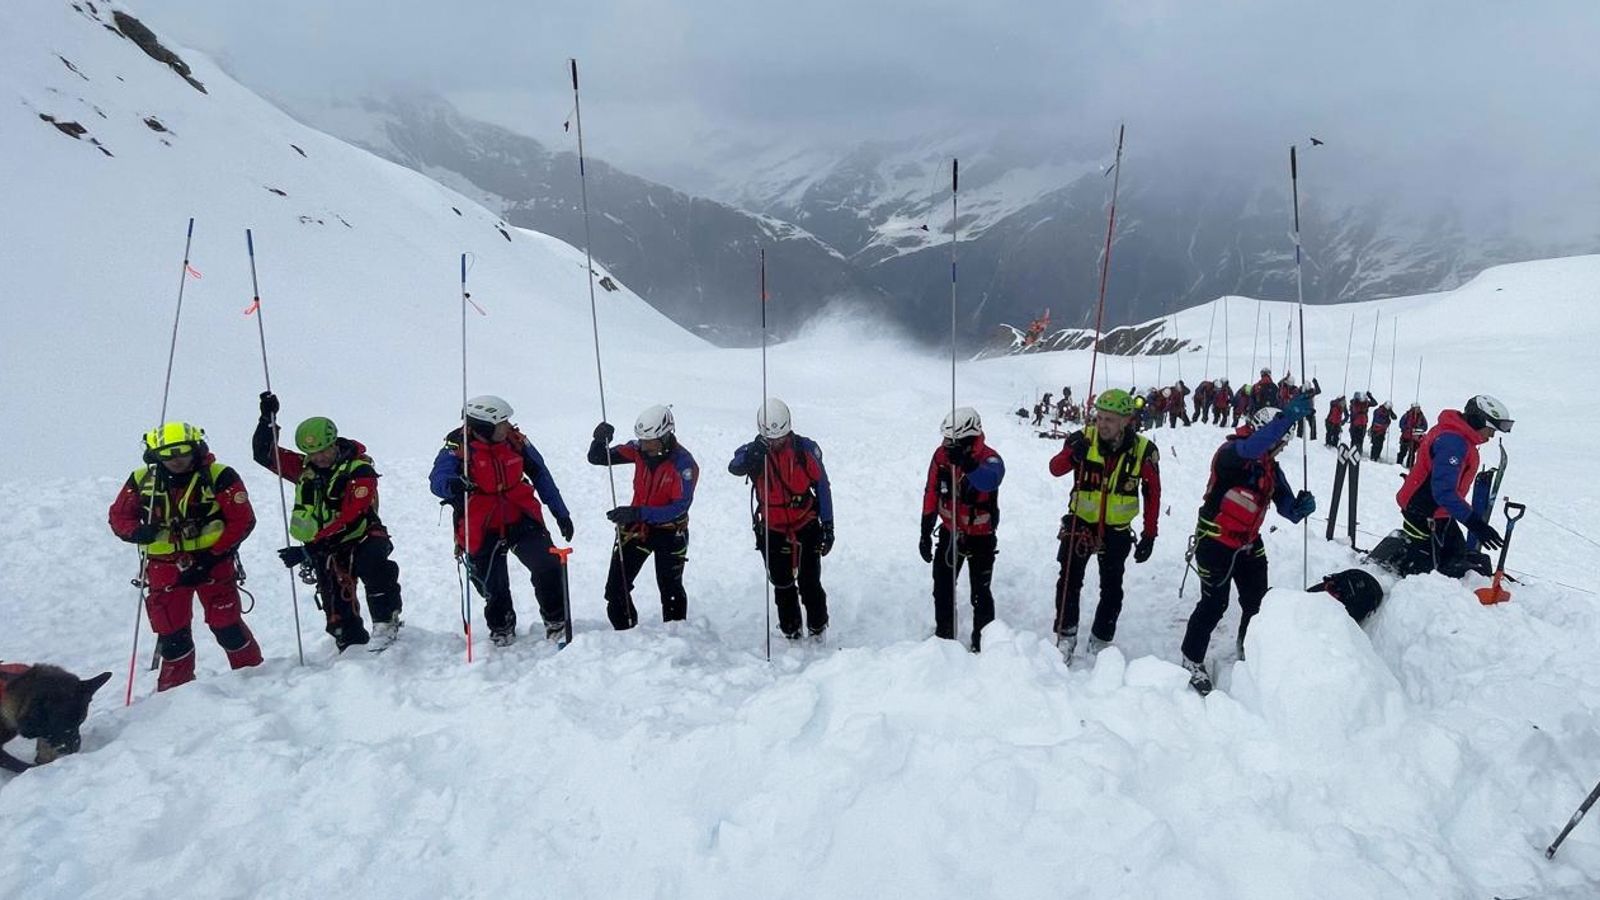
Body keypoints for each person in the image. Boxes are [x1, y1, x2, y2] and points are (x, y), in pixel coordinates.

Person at [108, 422, 262, 691]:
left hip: (214, 563)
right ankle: (175, 692)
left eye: (182, 452)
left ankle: (256, 679)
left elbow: (243, 520)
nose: (176, 460)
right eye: (167, 454)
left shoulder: (219, 475)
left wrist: (212, 557)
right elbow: (119, 515)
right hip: (164, 566)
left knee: (227, 626)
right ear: (155, 455)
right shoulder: (143, 479)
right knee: (172, 634)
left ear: (196, 449)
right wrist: (137, 532)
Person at [1179, 398, 1317, 695]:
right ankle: (1191, 659)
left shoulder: (1270, 469)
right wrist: (1289, 417)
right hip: (1215, 540)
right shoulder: (1232, 453)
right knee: (1214, 604)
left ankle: (1248, 649)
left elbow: (1288, 510)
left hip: (1249, 544)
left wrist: (1301, 507)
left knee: (1256, 603)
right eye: (1279, 442)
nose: (1280, 450)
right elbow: (1252, 448)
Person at [255, 393, 402, 651]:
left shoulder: (359, 470)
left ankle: (386, 623)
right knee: (336, 609)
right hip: (324, 547)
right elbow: (264, 455)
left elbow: (351, 517)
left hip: (362, 535)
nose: (319, 457)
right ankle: (350, 644)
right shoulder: (305, 469)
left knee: (375, 568)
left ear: (334, 443)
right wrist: (267, 420)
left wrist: (307, 550)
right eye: (312, 452)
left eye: (324, 450)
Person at [430, 395, 574, 646]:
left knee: (547, 564)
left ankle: (556, 620)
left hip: (520, 514)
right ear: (484, 427)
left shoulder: (515, 441)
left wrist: (561, 512)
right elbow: (437, 480)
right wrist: (452, 484)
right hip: (480, 522)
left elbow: (541, 475)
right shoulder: (457, 447)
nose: (507, 427)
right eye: (501, 423)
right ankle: (501, 627)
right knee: (492, 585)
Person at [1048, 389, 1160, 663]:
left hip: (1117, 530)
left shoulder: (1144, 451)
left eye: (1110, 419)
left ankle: (1101, 637)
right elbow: (1055, 468)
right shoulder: (1082, 439)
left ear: (1126, 421)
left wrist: (1149, 533)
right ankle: (1066, 634)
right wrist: (1073, 455)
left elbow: (1153, 492)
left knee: (1111, 587)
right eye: (1100, 418)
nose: (1102, 424)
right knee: (1069, 580)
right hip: (1080, 523)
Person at [1369, 396, 1512, 579]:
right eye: (1491, 429)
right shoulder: (1453, 443)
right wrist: (1476, 524)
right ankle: (1397, 576)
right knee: (1432, 572)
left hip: (1438, 511)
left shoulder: (1459, 436)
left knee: (1456, 556)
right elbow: (1443, 491)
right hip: (1424, 510)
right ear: (1478, 421)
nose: (1491, 436)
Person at [728, 399, 834, 641]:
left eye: (780, 437)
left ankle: (818, 627)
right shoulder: (754, 451)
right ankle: (791, 629)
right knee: (782, 582)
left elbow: (823, 487)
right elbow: (734, 466)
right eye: (771, 438)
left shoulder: (805, 450)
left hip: (805, 523)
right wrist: (753, 456)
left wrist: (828, 526)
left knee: (809, 581)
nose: (776, 442)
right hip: (772, 527)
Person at [589, 405, 699, 630]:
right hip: (638, 528)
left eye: (650, 441)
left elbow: (679, 507)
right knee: (616, 588)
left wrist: (639, 512)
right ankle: (625, 631)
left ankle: (676, 636)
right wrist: (599, 439)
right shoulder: (638, 450)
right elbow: (599, 458)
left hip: (670, 531)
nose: (644, 445)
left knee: (670, 587)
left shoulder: (684, 465)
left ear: (666, 436)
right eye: (642, 440)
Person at [919, 407, 1006, 652]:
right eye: (945, 439)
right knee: (942, 588)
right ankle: (944, 638)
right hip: (949, 534)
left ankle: (983, 642)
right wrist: (925, 531)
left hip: (981, 538)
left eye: (951, 440)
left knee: (981, 592)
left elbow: (990, 480)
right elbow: (931, 492)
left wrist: (967, 464)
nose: (945, 444)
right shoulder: (940, 457)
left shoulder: (990, 458)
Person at [1397, 403, 1429, 469]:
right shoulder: (1407, 415)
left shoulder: (1421, 417)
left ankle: (1409, 466)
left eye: (1419, 408)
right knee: (1403, 451)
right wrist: (1407, 428)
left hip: (1415, 438)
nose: (1418, 409)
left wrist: (1417, 429)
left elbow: (1425, 427)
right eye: (1416, 408)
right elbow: (1401, 424)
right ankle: (1398, 464)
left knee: (1412, 453)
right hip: (1406, 437)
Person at [1348, 392, 1374, 457]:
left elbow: (1375, 403)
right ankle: (1352, 452)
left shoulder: (1365, 404)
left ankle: (1358, 452)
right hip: (1355, 425)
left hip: (1363, 425)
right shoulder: (1354, 403)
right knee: (1354, 439)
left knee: (1360, 440)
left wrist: (1370, 397)